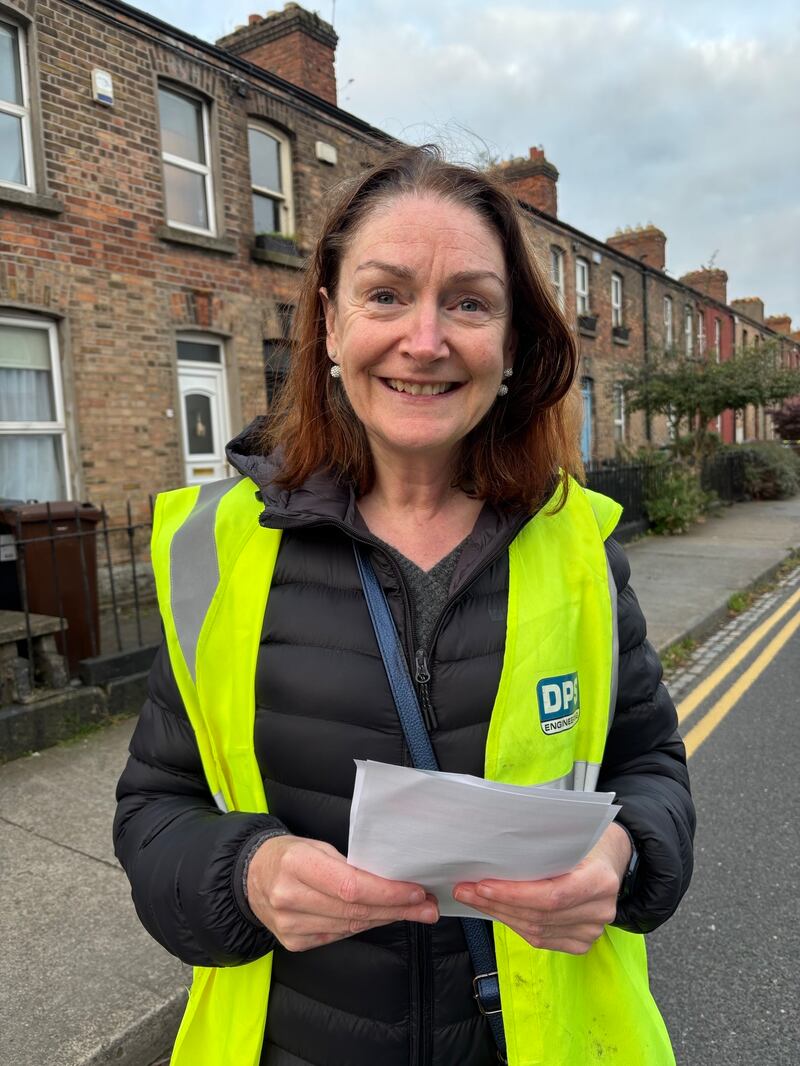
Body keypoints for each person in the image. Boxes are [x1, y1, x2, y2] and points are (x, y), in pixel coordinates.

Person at [114, 146, 694, 1066]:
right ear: (329, 323)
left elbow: (651, 767)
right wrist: (247, 874)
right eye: (385, 295)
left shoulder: (579, 544)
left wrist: (622, 858)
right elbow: (155, 808)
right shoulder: (214, 551)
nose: (425, 341)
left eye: (469, 303)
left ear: (511, 342)